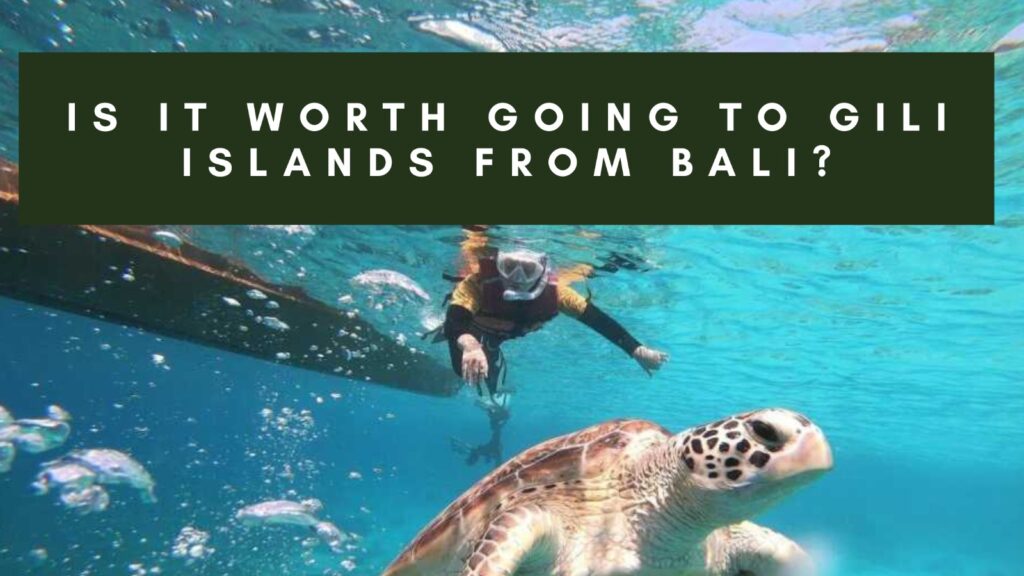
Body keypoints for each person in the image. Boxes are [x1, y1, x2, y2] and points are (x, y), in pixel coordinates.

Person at [442, 248, 668, 398]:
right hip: (474, 329)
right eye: (509, 267)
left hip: (504, 331)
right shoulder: (478, 283)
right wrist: (470, 346)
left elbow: (598, 321)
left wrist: (636, 349)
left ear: (543, 270)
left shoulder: (558, 294)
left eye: (529, 270)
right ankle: (483, 348)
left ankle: (490, 352)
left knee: (484, 379)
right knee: (462, 372)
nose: (518, 278)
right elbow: (455, 321)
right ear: (497, 264)